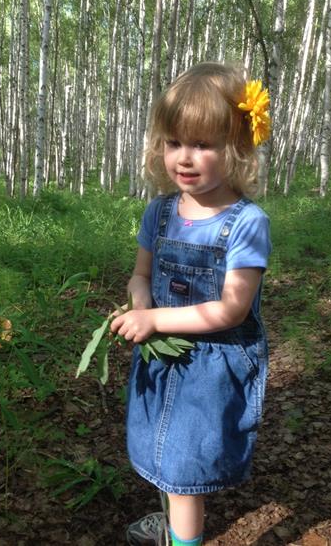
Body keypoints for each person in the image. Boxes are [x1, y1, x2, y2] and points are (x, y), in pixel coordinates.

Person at [110, 61, 272, 546]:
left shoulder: (245, 223)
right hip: (161, 357)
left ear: (237, 147)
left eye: (202, 144)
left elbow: (231, 310)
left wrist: (154, 317)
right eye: (174, 142)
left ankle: (184, 538)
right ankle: (174, 525)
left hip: (212, 368)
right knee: (162, 451)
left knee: (183, 466)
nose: (184, 157)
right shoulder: (160, 212)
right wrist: (139, 302)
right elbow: (141, 275)